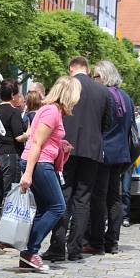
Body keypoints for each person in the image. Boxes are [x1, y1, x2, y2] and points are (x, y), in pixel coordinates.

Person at [42, 56, 112, 262]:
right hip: (92, 151)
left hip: (65, 149)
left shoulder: (65, 86)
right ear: (87, 68)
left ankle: (57, 246)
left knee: (63, 196)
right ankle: (75, 248)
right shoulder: (102, 90)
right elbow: (108, 123)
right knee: (83, 199)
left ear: (71, 68)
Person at [18, 76, 81, 270]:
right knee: (57, 207)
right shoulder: (51, 112)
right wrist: (28, 174)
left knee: (45, 209)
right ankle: (30, 250)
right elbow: (36, 142)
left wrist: (60, 144)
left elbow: (42, 139)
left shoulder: (50, 110)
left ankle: (28, 254)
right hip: (40, 164)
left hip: (41, 162)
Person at [85, 60, 134, 255]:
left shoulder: (103, 95)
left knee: (98, 197)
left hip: (103, 152)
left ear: (103, 76)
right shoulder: (125, 97)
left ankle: (96, 241)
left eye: (95, 76)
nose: (93, 80)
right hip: (121, 154)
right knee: (114, 197)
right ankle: (112, 239)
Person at [0, 79, 28, 246]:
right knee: (10, 196)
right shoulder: (14, 112)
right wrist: (29, 133)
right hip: (10, 156)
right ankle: (6, 237)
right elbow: (18, 136)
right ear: (14, 96)